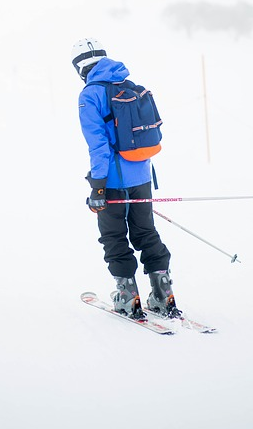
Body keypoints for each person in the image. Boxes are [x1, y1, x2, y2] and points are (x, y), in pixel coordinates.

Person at [71, 37, 180, 319]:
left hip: (112, 181)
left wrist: (98, 186)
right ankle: (162, 294)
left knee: (114, 236)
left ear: (80, 67)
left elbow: (98, 145)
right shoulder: (129, 86)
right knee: (146, 232)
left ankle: (127, 296)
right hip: (142, 174)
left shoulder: (90, 95)